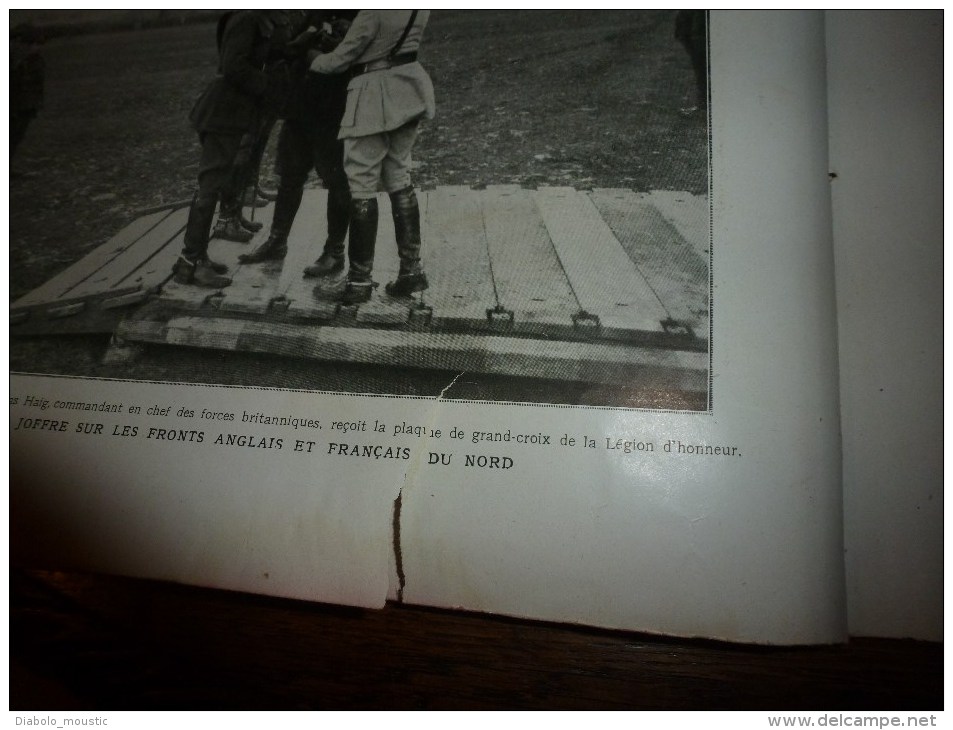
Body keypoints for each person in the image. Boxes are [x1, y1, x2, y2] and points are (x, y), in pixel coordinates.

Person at [309, 10, 435, 304]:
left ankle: (359, 281)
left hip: (372, 96)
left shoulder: (373, 11)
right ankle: (410, 270)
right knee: (399, 177)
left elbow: (340, 60)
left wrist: (313, 56)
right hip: (410, 88)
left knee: (362, 185)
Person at [173, 10, 302, 288]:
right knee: (210, 186)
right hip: (224, 111)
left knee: (216, 184)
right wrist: (269, 86)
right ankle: (190, 262)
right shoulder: (245, 16)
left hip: (239, 111)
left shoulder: (265, 15)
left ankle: (196, 259)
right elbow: (233, 65)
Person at [238, 11, 357, 273]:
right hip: (301, 105)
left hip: (335, 108)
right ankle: (277, 241)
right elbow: (288, 49)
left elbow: (357, 54)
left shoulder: (360, 12)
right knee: (290, 175)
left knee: (336, 180)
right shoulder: (314, 11)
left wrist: (327, 44)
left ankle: (334, 252)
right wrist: (307, 41)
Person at [10, 23, 46, 157]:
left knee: (16, 135)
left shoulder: (32, 60)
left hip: (25, 104)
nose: (37, 48)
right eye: (33, 44)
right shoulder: (14, 59)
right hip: (17, 105)